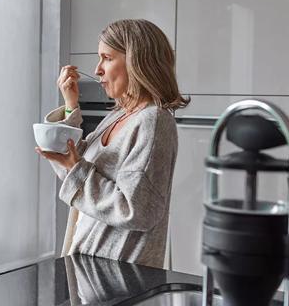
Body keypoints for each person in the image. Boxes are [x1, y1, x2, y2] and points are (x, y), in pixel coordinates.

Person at [35, 19, 190, 268]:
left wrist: (76, 168)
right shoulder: (119, 116)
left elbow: (137, 209)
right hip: (90, 266)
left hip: (120, 275)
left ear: (136, 62)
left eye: (107, 58)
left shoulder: (153, 121)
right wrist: (70, 106)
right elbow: (76, 169)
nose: (97, 69)